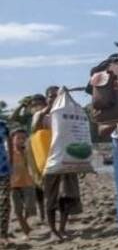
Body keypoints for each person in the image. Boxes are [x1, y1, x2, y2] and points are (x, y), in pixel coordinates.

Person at [32, 86, 82, 240]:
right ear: (46, 98)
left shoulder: (67, 114)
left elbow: (77, 135)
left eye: (56, 96)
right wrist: (49, 108)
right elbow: (34, 127)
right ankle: (53, 230)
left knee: (66, 196)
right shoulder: (42, 116)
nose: (53, 98)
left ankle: (62, 228)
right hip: (49, 163)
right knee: (51, 198)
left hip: (66, 161)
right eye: (50, 96)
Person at [9, 129, 38, 237]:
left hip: (28, 183)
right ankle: (26, 229)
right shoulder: (9, 153)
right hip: (13, 184)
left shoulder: (29, 151)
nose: (21, 141)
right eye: (18, 138)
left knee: (30, 208)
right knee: (18, 209)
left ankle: (25, 223)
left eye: (24, 138)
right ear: (12, 140)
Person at [0, 118, 10, 248]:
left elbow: (9, 143)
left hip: (3, 170)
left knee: (3, 202)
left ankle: (2, 235)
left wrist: (11, 161)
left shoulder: (3, 125)